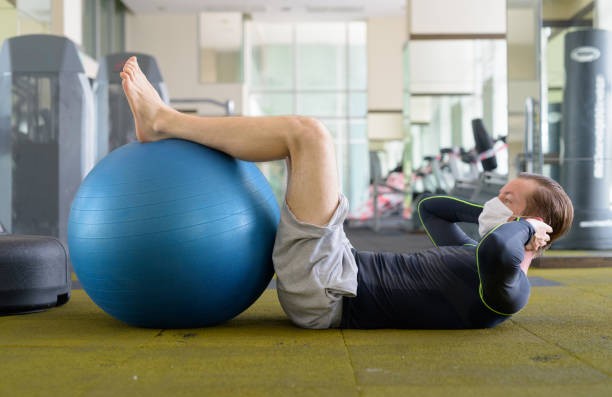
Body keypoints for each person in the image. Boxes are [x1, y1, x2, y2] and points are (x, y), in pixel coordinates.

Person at [119, 56, 574, 330]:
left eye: (508, 199)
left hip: (329, 292)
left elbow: (499, 251)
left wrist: (528, 228)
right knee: (303, 147)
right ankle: (165, 122)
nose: (497, 202)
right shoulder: (475, 255)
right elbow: (432, 210)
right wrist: (497, 209)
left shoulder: (510, 289)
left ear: (534, 229)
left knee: (308, 134)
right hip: (335, 269)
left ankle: (164, 122)